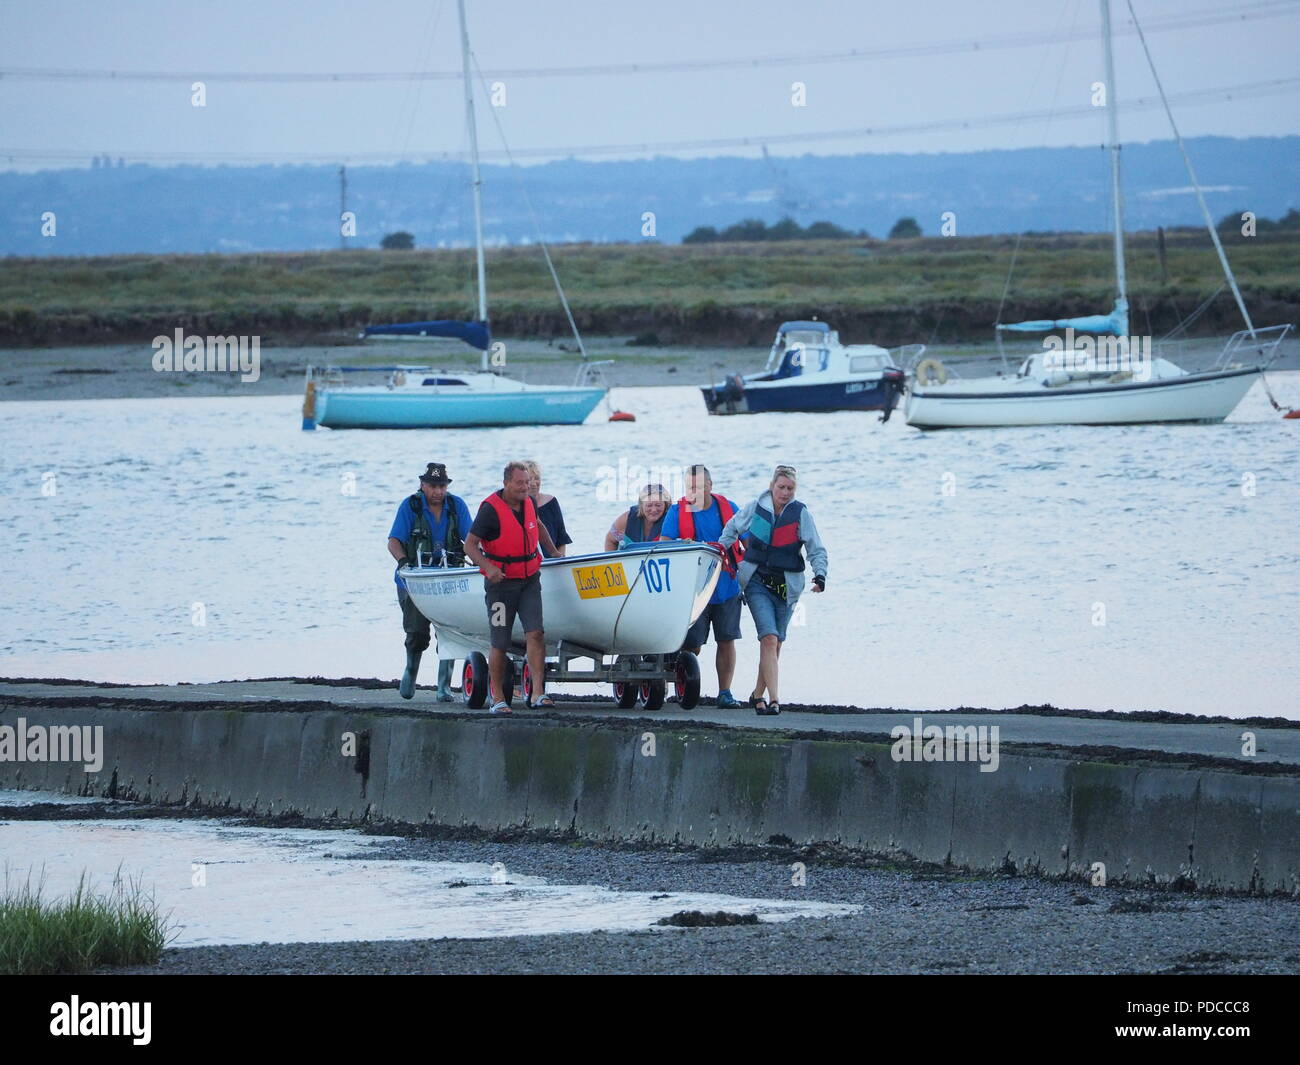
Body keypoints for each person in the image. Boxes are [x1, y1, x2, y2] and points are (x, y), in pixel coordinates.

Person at [719, 464, 827, 716]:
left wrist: (820, 575)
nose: (785, 492)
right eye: (781, 487)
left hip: (787, 587)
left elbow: (816, 549)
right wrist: (720, 557)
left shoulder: (801, 514)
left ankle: (758, 694)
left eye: (790, 488)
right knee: (768, 638)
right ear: (772, 486)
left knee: (775, 643)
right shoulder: (755, 508)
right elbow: (731, 529)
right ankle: (775, 700)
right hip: (757, 583)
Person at [464, 461, 560, 714]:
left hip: (529, 580)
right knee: (500, 641)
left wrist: (552, 553)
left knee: (536, 633)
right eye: (520, 483)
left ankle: (538, 693)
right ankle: (497, 699)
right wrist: (488, 567)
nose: (525, 487)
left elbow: (537, 526)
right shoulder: (490, 510)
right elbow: (470, 545)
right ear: (506, 483)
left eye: (527, 483)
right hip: (501, 586)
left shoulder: (529, 502)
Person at [386, 462, 474, 702]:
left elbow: (472, 540)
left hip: (449, 580)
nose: (438, 491)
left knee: (450, 632)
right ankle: (410, 670)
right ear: (423, 485)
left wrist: (481, 562)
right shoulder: (410, 506)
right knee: (416, 632)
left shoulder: (457, 506)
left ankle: (443, 687)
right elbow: (393, 541)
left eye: (442, 486)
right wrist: (404, 561)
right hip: (415, 581)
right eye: (433, 486)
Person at [659, 464, 744, 708]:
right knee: (692, 645)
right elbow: (665, 544)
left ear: (709, 486)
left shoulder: (730, 509)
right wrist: (682, 546)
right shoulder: (678, 511)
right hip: (693, 589)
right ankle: (682, 686)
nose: (692, 491)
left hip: (727, 586)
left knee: (727, 639)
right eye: (689, 487)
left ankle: (725, 692)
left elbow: (751, 539)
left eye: (697, 486)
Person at [523, 460, 571, 558]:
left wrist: (561, 560)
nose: (534, 483)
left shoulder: (551, 501)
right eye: (530, 479)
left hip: (553, 560)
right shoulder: (517, 506)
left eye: (537, 478)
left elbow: (561, 536)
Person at [604, 483, 670, 551]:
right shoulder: (626, 519)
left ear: (666, 505)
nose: (654, 510)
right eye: (649, 505)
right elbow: (610, 541)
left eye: (658, 505)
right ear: (641, 505)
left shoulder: (673, 519)